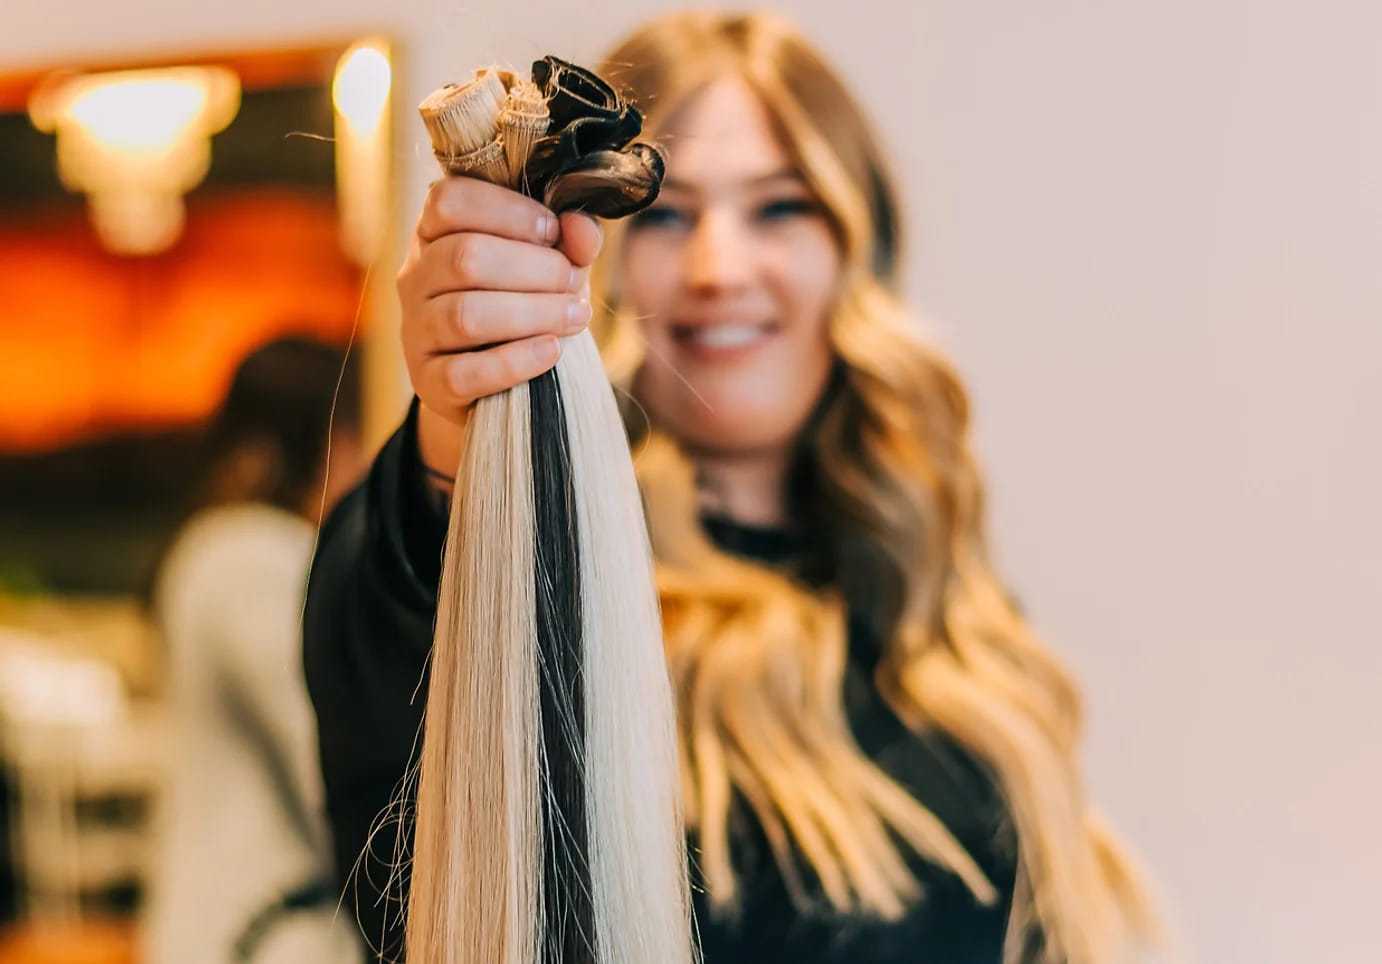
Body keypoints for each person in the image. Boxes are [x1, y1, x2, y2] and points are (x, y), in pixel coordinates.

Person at [304, 10, 1159, 963]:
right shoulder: (553, 591)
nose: (719, 268)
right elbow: (390, 625)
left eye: (780, 207)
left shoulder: (935, 600)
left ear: (853, 250)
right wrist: (463, 423)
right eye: (665, 214)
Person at [141, 336, 365, 963]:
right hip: (260, 934)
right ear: (333, 438)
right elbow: (329, 747)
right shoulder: (252, 555)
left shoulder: (213, 549)